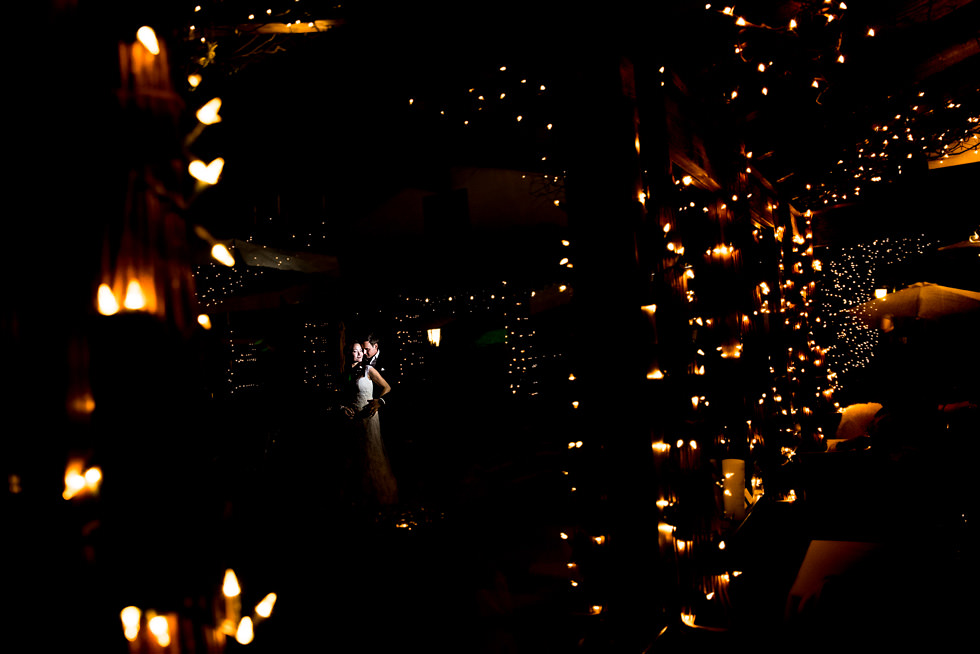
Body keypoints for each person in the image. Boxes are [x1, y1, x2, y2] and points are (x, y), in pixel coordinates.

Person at [341, 339, 398, 507]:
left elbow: (387, 387)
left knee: (371, 454)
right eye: (354, 351)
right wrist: (342, 407)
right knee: (353, 458)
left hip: (368, 417)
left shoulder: (368, 369)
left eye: (360, 351)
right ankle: (355, 499)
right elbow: (341, 397)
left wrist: (379, 401)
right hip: (351, 420)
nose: (358, 354)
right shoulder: (345, 373)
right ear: (348, 353)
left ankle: (375, 500)